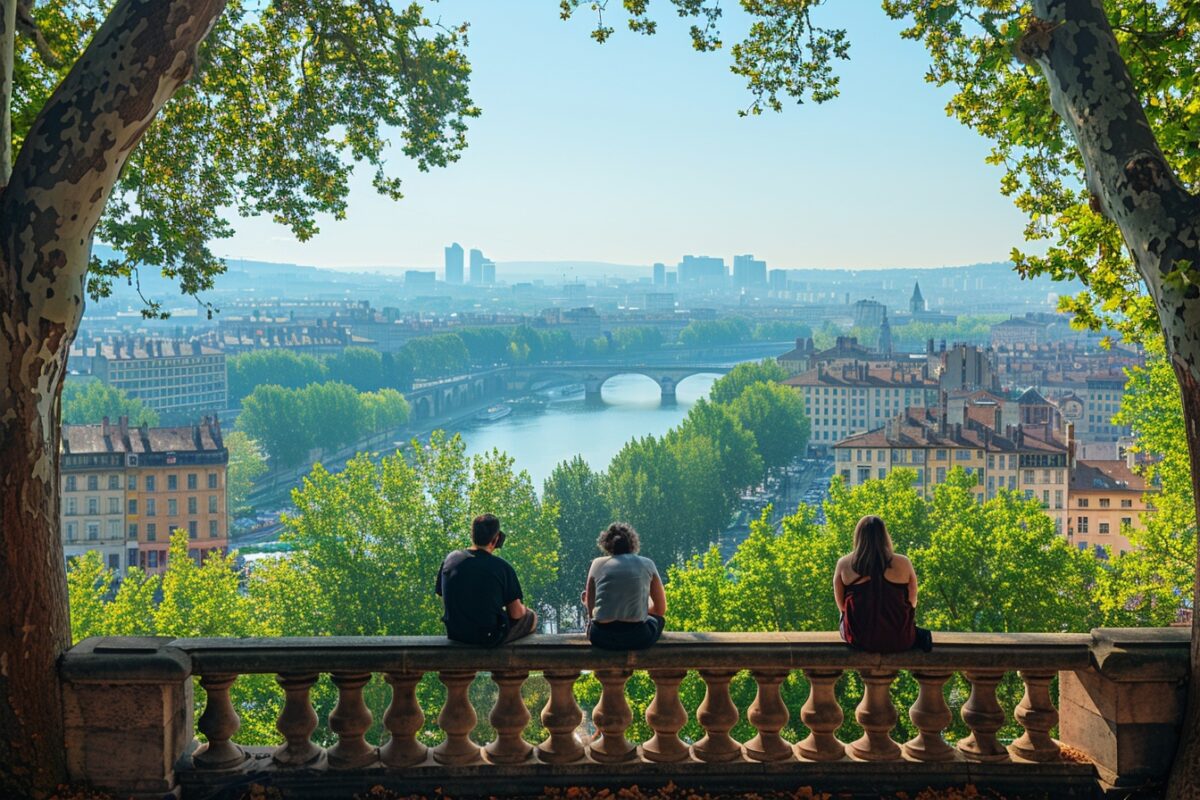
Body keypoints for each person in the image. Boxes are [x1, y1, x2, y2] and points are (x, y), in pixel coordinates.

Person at [834, 514, 932, 653]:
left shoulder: (843, 564)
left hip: (858, 639)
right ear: (884, 536)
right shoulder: (903, 563)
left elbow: (842, 607)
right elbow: (912, 601)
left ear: (858, 536)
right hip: (900, 639)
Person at [436, 513, 538, 646]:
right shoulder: (502, 568)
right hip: (487, 637)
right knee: (530, 616)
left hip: (456, 634)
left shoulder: (451, 558)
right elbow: (516, 614)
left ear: (472, 536)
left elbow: (443, 594)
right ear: (495, 540)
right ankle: (506, 665)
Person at [583, 522, 666, 650]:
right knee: (659, 621)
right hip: (637, 637)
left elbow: (590, 606)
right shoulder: (647, 564)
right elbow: (660, 610)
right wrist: (641, 606)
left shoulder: (596, 564)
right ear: (633, 543)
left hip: (601, 637)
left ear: (605, 543)